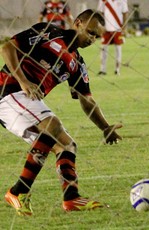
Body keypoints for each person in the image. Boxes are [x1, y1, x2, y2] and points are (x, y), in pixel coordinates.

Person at [0, 9, 122, 216]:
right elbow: (7, 47)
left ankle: (71, 198)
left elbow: (87, 100)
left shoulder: (77, 64)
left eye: (96, 36)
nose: (92, 39)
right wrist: (23, 80)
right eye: (90, 32)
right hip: (9, 90)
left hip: (23, 101)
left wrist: (105, 127)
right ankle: (20, 191)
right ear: (78, 23)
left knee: (66, 144)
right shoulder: (49, 32)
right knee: (52, 124)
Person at [97, 0, 129, 76]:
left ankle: (117, 69)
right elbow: (100, 13)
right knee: (103, 49)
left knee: (118, 50)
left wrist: (124, 28)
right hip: (106, 29)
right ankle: (102, 69)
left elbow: (125, 13)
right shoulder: (103, 0)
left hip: (118, 29)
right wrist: (101, 26)